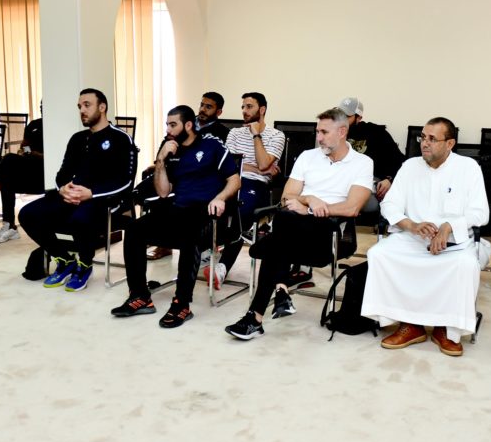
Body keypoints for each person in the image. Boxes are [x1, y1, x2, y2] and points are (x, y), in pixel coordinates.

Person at [225, 108, 372, 340]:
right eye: (317, 131)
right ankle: (258, 314)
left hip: (328, 232)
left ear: (342, 132)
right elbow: (287, 198)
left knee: (276, 238)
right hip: (295, 227)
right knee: (285, 219)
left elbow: (352, 208)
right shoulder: (307, 157)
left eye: (324, 132)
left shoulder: (362, 163)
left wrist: (310, 209)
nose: (318, 137)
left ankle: (275, 294)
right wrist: (309, 199)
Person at [360, 117, 490, 357]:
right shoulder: (409, 166)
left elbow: (480, 213)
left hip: (454, 242)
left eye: (432, 139)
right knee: (378, 254)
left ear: (450, 143)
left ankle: (446, 329)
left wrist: (449, 227)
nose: (424, 143)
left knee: (465, 264)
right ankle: (410, 325)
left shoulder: (468, 167)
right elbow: (389, 205)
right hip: (412, 239)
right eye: (422, 137)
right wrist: (411, 225)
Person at [111, 105, 240, 327]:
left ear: (188, 125)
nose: (168, 130)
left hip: (207, 212)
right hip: (178, 208)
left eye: (173, 125)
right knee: (134, 229)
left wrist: (220, 198)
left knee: (190, 235)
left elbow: (234, 180)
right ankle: (140, 296)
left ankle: (182, 303)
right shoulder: (170, 149)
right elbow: (163, 192)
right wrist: (161, 160)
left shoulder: (211, 144)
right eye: (167, 125)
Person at [18, 88, 136, 292]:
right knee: (27, 214)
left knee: (79, 219)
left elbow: (126, 181)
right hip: (72, 197)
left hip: (103, 200)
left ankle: (84, 264)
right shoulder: (77, 139)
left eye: (87, 105)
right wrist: (63, 189)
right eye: (79, 106)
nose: (82, 110)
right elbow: (62, 173)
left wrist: (91, 193)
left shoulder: (121, 138)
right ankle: (64, 259)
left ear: (102, 107)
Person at [211, 92, 285, 288]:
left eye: (249, 107)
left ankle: (222, 267)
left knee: (240, 211)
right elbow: (229, 165)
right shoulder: (234, 133)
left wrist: (256, 135)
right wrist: (260, 167)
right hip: (230, 181)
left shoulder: (276, 135)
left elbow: (263, 164)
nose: (244, 111)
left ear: (262, 110)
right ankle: (211, 248)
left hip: (255, 186)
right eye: (243, 107)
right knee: (208, 205)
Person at [147, 91, 231, 262]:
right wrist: (160, 160)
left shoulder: (219, 134)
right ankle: (163, 241)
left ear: (218, 111)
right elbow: (162, 157)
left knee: (190, 227)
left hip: (203, 192)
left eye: (208, 107)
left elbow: (229, 171)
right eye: (202, 105)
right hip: (176, 183)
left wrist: (220, 197)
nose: (203, 109)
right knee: (148, 194)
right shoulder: (176, 134)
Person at [0, 112, 44, 244]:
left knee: (9, 158)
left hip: (45, 172)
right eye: (41, 105)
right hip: (29, 166)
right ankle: (9, 226)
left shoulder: (57, 125)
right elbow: (24, 146)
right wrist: (27, 152)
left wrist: (36, 154)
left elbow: (54, 155)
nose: (42, 108)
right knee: (6, 179)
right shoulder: (34, 125)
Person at [338, 96, 405, 213]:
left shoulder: (376, 133)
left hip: (367, 183)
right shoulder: (333, 132)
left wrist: (389, 179)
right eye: (340, 115)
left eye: (347, 116)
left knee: (371, 206)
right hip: (339, 181)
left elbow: (399, 160)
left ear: (359, 118)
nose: (341, 120)